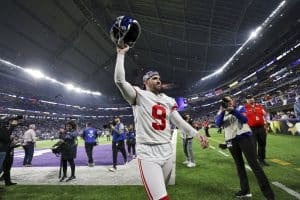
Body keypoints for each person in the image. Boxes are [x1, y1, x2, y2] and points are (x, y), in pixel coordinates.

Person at [114, 46, 208, 200]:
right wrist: (120, 54)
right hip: (148, 153)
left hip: (166, 150)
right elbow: (119, 81)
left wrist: (198, 135)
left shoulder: (167, 100)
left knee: (159, 194)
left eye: (159, 78)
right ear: (145, 82)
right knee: (161, 198)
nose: (158, 80)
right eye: (154, 78)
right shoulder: (138, 95)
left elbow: (179, 122)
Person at [215, 96, 274, 199]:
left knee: (254, 164)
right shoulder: (221, 112)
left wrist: (232, 110)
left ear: (232, 101)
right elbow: (218, 124)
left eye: (229, 100)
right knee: (239, 165)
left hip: (244, 137)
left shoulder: (240, 108)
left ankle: (269, 195)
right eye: (225, 101)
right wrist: (223, 111)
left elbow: (245, 119)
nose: (228, 102)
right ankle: (245, 191)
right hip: (230, 140)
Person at [245, 95, 270, 166]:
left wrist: (267, 124)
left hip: (261, 127)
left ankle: (261, 159)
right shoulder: (244, 108)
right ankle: (254, 161)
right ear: (246, 100)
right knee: (253, 145)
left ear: (253, 98)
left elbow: (265, 114)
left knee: (262, 143)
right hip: (251, 129)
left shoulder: (259, 106)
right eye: (248, 98)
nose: (250, 99)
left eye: (251, 98)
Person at [0, 116, 23, 186]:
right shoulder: (2, 128)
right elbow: (6, 138)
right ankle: (7, 181)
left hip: (6, 150)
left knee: (7, 167)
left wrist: (14, 144)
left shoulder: (4, 127)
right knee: (3, 167)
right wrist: (12, 126)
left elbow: (7, 138)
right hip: (2, 150)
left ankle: (8, 181)